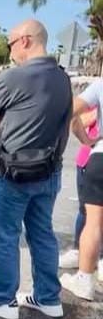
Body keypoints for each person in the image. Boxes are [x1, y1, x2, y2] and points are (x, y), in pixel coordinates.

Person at [0, 19, 71, 319]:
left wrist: (4, 119)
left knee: (4, 236)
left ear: (25, 40)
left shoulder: (15, 76)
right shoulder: (62, 78)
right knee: (42, 234)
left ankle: (1, 299)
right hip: (50, 170)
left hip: (12, 172)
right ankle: (48, 298)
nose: (10, 50)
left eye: (10, 43)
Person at [59, 108, 102, 274]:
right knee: (85, 211)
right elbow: (76, 120)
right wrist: (97, 114)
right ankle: (79, 251)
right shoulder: (96, 97)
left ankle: (98, 259)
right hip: (88, 160)